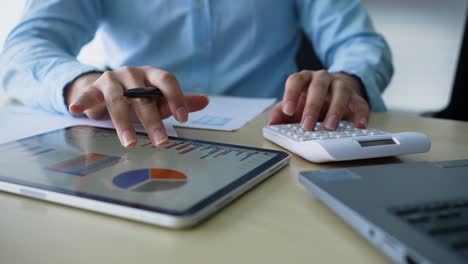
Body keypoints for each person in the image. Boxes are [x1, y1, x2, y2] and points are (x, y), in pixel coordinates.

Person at [0, 0, 393, 148]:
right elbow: (22, 48)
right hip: (135, 141)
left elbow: (360, 42)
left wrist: (349, 78)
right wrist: (81, 82)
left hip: (276, 142)